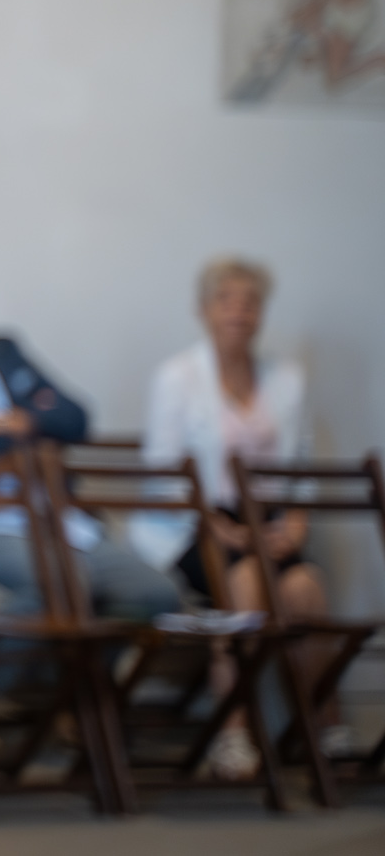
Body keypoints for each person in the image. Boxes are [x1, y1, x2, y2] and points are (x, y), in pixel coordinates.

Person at [0, 236, 179, 756]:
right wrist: (25, 425)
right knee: (62, 582)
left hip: (49, 515)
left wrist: (12, 420)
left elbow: (74, 417)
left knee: (155, 595)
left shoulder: (5, 350)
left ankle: (65, 697)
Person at [141, 256, 332, 777]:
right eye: (227, 301)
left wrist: (295, 523)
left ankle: (319, 728)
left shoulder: (287, 378)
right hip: (197, 523)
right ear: (204, 310)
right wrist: (220, 526)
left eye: (250, 303)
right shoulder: (177, 377)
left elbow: (302, 464)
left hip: (270, 519)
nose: (239, 313)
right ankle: (234, 733)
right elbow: (162, 474)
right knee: (245, 581)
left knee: (306, 589)